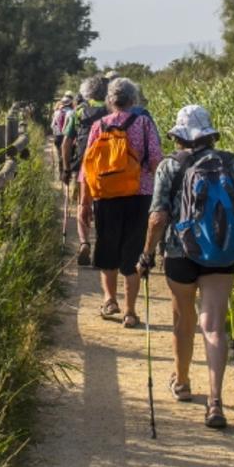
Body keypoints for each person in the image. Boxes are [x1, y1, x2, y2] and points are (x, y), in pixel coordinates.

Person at [140, 104, 234, 430]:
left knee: (183, 319)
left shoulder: (171, 166)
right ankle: (216, 402)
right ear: (210, 134)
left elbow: (158, 216)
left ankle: (183, 382)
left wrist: (146, 253)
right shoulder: (231, 163)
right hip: (223, 253)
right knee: (214, 325)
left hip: (180, 251)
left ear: (179, 136)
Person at [79, 76, 163, 328]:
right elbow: (156, 160)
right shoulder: (144, 123)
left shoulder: (99, 125)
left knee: (108, 248)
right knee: (134, 251)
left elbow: (88, 166)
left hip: (106, 196)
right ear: (133, 99)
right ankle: (130, 311)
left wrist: (85, 201)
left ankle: (109, 299)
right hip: (140, 194)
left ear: (110, 100)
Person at [61, 76, 111, 262]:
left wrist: (66, 167)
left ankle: (84, 243)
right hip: (110, 167)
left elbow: (66, 143)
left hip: (85, 165)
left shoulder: (78, 112)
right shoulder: (111, 112)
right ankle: (101, 245)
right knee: (104, 207)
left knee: (84, 204)